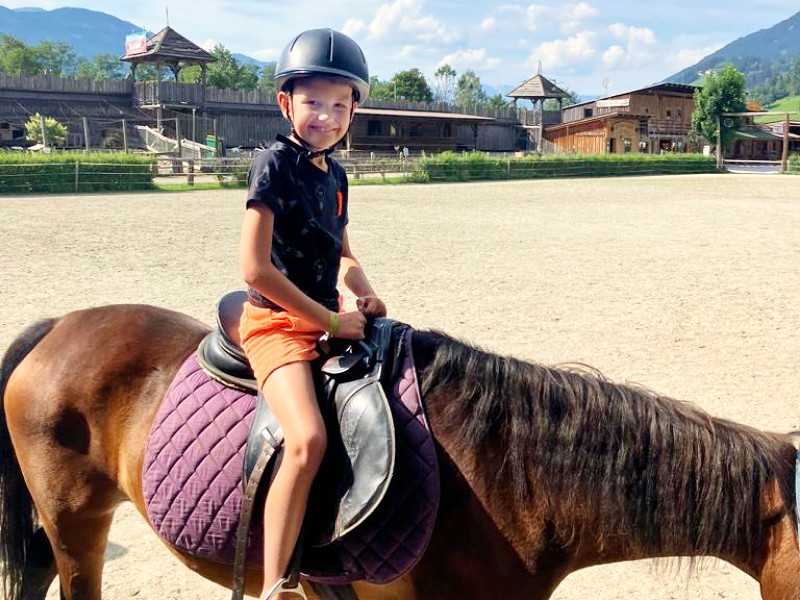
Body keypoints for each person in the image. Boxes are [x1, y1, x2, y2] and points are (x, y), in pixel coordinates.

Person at [237, 28, 387, 600]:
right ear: (286, 104)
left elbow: (341, 253)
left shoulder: (337, 174)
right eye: (312, 102)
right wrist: (328, 322)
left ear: (354, 108)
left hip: (328, 315)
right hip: (276, 324)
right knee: (306, 441)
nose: (326, 115)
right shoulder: (273, 164)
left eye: (339, 103)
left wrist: (364, 294)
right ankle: (277, 587)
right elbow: (254, 269)